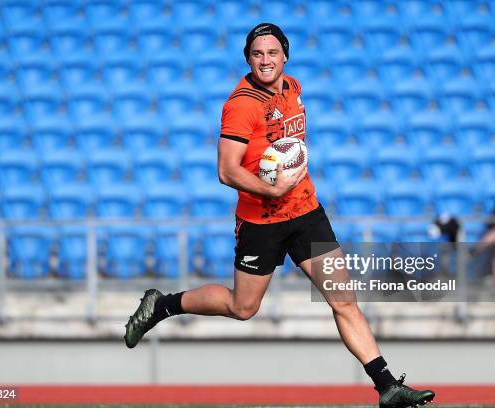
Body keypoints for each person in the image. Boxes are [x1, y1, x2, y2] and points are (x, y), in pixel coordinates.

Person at [124, 23, 434, 408]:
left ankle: (387, 386)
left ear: (285, 56)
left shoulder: (294, 88)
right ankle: (163, 304)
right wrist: (272, 188)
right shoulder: (241, 104)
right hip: (261, 222)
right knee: (243, 307)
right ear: (248, 59)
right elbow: (226, 170)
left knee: (344, 299)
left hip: (306, 212)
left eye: (272, 53)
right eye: (257, 54)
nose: (265, 60)